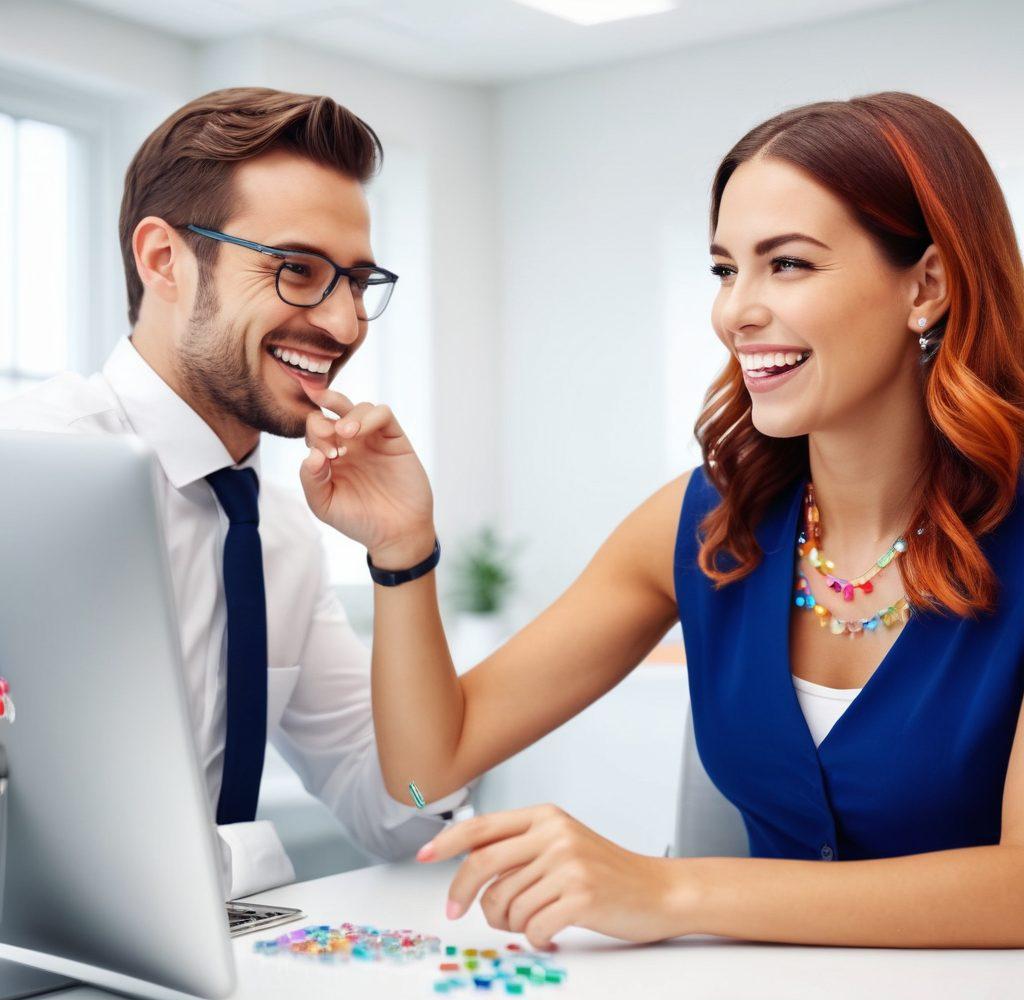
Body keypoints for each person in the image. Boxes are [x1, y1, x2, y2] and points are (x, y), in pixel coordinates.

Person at [297, 91, 1024, 950]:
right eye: (725, 269)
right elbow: (422, 779)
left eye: (787, 264)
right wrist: (403, 552)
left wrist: (669, 891)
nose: (735, 310)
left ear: (927, 286)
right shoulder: (704, 524)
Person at [0, 87, 470, 899]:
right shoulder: (24, 468)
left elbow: (405, 815)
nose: (346, 324)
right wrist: (247, 860)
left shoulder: (274, 534)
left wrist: (403, 555)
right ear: (163, 260)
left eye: (357, 282)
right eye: (297, 271)